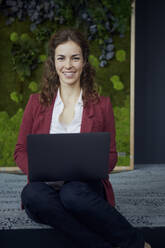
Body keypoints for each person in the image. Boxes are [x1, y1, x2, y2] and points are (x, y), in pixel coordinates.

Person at [14, 28, 151, 248]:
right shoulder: (35, 102)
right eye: (62, 58)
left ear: (84, 61)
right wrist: (39, 169)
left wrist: (91, 167)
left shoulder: (102, 105)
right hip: (45, 187)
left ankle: (133, 242)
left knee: (72, 194)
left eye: (75, 58)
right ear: (53, 62)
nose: (68, 65)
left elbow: (112, 156)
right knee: (32, 195)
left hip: (83, 188)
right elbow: (20, 150)